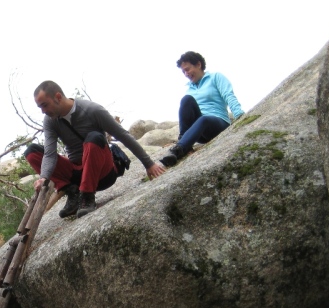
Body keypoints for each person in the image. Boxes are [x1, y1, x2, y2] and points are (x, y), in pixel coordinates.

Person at [25, 80, 166, 219]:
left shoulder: (92, 110)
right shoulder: (50, 120)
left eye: (44, 105)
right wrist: (44, 177)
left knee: (94, 138)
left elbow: (123, 135)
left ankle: (87, 196)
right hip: (77, 173)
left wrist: (149, 164)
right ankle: (73, 193)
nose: (43, 111)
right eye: (40, 108)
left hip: (103, 173)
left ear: (58, 97)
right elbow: (49, 154)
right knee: (32, 152)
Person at [161, 51, 244, 167]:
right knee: (186, 100)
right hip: (199, 131)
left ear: (198, 65)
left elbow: (228, 95)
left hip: (218, 123)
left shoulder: (215, 77)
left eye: (188, 69)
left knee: (204, 119)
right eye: (183, 71)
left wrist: (240, 115)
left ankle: (178, 150)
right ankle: (184, 142)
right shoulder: (189, 89)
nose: (186, 73)